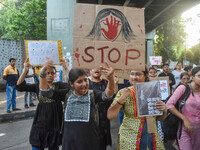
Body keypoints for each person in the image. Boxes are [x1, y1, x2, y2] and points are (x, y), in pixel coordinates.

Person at [39, 62, 115, 150]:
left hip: (90, 143)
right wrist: (42, 73)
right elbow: (45, 92)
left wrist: (111, 79)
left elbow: (107, 95)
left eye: (86, 80)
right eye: (79, 81)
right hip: (69, 143)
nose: (84, 84)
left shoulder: (93, 94)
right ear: (71, 84)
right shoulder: (66, 94)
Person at [16, 58, 70, 150]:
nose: (49, 75)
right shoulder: (38, 86)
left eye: (52, 73)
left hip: (55, 119)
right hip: (41, 118)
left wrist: (66, 68)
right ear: (43, 74)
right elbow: (20, 86)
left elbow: (73, 84)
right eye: (47, 73)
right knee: (37, 143)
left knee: (53, 145)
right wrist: (25, 70)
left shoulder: (59, 85)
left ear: (55, 75)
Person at [107, 69, 167, 149]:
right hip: (129, 140)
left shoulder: (153, 91)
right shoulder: (123, 92)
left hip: (151, 139)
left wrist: (164, 110)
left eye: (138, 74)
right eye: (132, 74)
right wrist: (122, 98)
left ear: (146, 76)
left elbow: (160, 118)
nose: (134, 77)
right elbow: (110, 115)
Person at [166, 67, 200, 150]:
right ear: (192, 76)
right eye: (199, 76)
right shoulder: (183, 88)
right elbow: (169, 104)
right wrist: (184, 118)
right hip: (184, 130)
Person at [88, 68, 118, 150]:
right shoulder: (85, 82)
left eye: (99, 68)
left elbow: (113, 98)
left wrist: (114, 83)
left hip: (103, 116)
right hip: (89, 116)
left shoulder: (106, 82)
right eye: (94, 68)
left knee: (101, 142)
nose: (96, 70)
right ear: (90, 70)